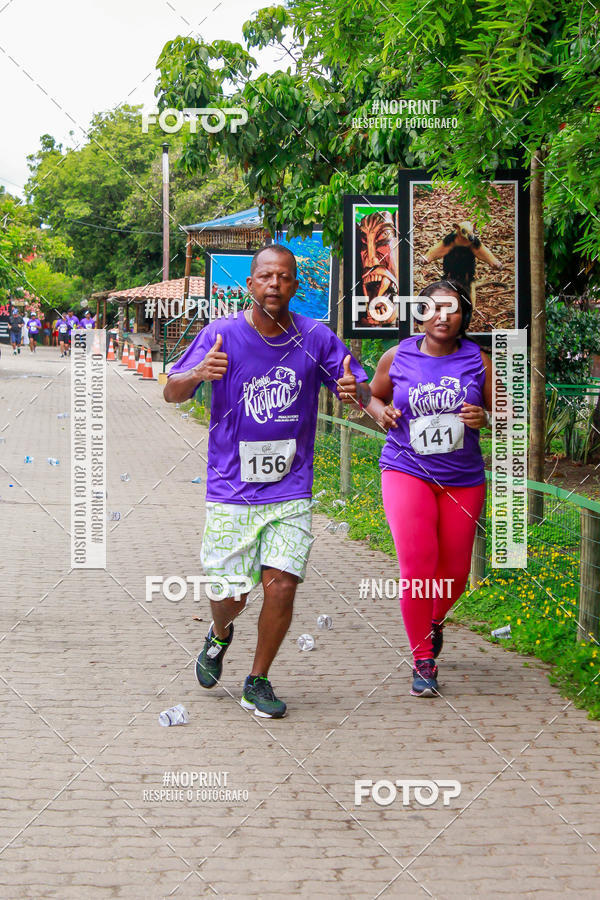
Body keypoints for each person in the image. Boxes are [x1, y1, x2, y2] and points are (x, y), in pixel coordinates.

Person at [164, 245, 368, 718]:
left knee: (282, 586)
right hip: (231, 490)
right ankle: (220, 634)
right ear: (251, 283)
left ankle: (257, 680)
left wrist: (355, 392)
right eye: (266, 276)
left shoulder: (316, 337)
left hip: (290, 489)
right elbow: (171, 392)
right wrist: (197, 373)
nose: (275, 284)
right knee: (230, 596)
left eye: (284, 277)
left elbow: (357, 389)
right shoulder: (220, 334)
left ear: (295, 285)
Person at [366, 279, 492, 697]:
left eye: (452, 309)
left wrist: (484, 418)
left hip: (462, 477)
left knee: (454, 574)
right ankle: (423, 659)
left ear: (463, 316)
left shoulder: (479, 360)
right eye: (434, 308)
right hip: (407, 469)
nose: (443, 316)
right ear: (420, 314)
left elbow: (505, 413)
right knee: (418, 566)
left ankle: (434, 620)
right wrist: (381, 412)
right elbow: (371, 396)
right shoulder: (397, 355)